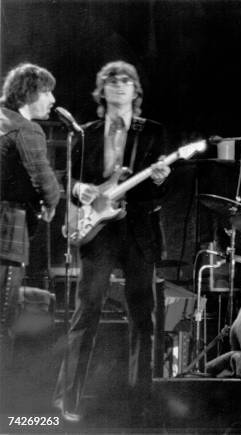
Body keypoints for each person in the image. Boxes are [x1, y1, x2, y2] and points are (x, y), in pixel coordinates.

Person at [53, 61, 170, 423]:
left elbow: (166, 185)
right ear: (102, 91)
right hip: (97, 232)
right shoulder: (85, 133)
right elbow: (66, 180)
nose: (119, 86)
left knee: (142, 317)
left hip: (137, 232)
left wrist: (161, 179)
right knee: (85, 311)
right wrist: (78, 189)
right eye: (111, 81)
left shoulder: (152, 132)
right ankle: (67, 400)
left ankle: (140, 402)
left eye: (126, 81)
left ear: (136, 91)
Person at [0, 63, 60, 370]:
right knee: (2, 322)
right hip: (7, 234)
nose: (52, 100)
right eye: (47, 92)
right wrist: (52, 201)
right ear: (28, 94)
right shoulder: (26, 129)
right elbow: (44, 180)